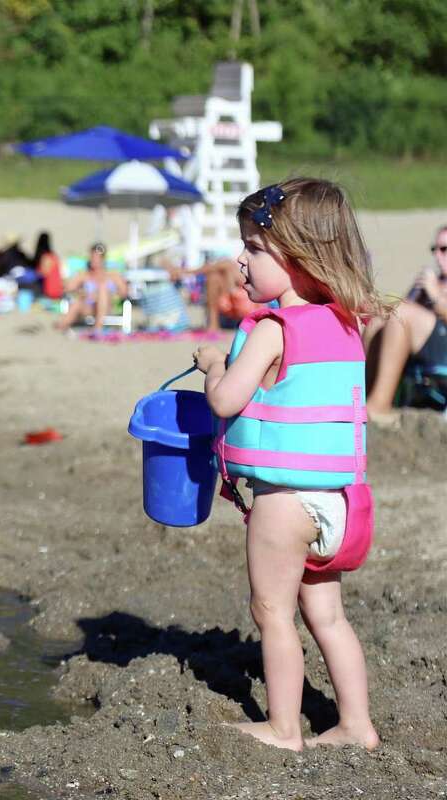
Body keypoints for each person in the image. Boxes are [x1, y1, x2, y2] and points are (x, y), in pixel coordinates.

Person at [193, 178, 384, 753]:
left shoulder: (274, 329)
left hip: (284, 502)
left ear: (298, 260)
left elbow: (227, 401)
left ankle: (282, 727)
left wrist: (211, 367)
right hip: (341, 504)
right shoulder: (348, 322)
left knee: (272, 610)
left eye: (253, 249)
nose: (239, 260)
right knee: (327, 617)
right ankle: (356, 725)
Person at [363, 224, 447, 423]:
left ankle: (379, 404)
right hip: (426, 344)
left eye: (444, 249)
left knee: (402, 315)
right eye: (434, 249)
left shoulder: (434, 286)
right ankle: (363, 396)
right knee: (377, 321)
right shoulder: (435, 280)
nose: (437, 256)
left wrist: (435, 296)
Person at [54, 243, 127, 331]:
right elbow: (68, 288)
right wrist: (82, 293)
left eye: (96, 257)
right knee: (77, 303)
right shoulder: (85, 275)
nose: (93, 260)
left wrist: (111, 294)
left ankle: (98, 328)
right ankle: (62, 326)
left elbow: (124, 293)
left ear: (103, 259)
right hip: (90, 307)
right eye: (92, 257)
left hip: (109, 307)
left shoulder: (113, 276)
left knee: (103, 288)